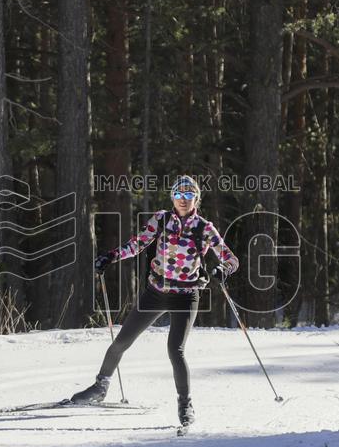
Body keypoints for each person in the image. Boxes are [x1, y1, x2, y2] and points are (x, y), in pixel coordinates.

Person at [69, 175, 239, 427]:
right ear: (172, 197)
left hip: (185, 296)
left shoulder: (204, 228)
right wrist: (111, 257)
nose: (183, 200)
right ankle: (100, 387)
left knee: (175, 350)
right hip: (155, 293)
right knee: (121, 342)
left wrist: (223, 269)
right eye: (179, 195)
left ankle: (185, 404)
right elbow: (137, 244)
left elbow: (231, 258)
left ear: (196, 198)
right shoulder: (161, 219)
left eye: (189, 195)